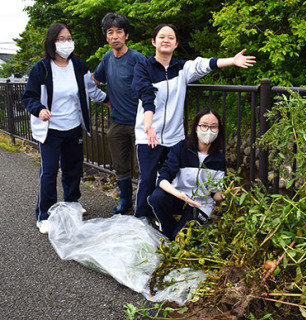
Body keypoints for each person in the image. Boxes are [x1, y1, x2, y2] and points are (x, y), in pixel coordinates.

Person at [131, 23, 255, 221]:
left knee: (171, 179)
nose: (166, 40)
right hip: (148, 136)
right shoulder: (143, 67)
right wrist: (148, 124)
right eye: (161, 37)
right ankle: (142, 220)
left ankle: (167, 218)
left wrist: (232, 60)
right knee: (147, 179)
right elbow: (147, 94)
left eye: (171, 37)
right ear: (154, 41)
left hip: (174, 137)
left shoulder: (182, 69)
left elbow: (204, 64)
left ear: (176, 43)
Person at [22, 23, 109, 234]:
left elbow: (91, 89)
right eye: (61, 39)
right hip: (50, 129)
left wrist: (107, 100)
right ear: (52, 42)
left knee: (73, 169)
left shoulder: (78, 66)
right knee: (49, 172)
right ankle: (44, 214)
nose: (66, 42)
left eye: (69, 38)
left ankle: (72, 203)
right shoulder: (41, 69)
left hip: (73, 127)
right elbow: (28, 97)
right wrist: (40, 109)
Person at [92, 13, 146, 215]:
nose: (115, 36)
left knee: (143, 167)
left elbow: (151, 87)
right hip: (116, 121)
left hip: (139, 123)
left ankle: (144, 204)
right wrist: (104, 99)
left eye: (119, 32)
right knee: (120, 165)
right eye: (110, 32)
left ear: (127, 35)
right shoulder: (107, 58)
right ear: (106, 37)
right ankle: (125, 202)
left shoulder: (137, 58)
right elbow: (94, 81)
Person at [147, 108, 226, 240]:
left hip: (199, 204)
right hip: (178, 197)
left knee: (181, 240)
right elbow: (162, 179)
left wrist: (225, 195)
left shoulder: (219, 159)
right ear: (196, 128)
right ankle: (167, 227)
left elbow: (214, 192)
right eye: (204, 126)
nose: (208, 130)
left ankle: (176, 233)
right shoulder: (181, 149)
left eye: (213, 127)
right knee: (157, 197)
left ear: (218, 131)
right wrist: (179, 194)